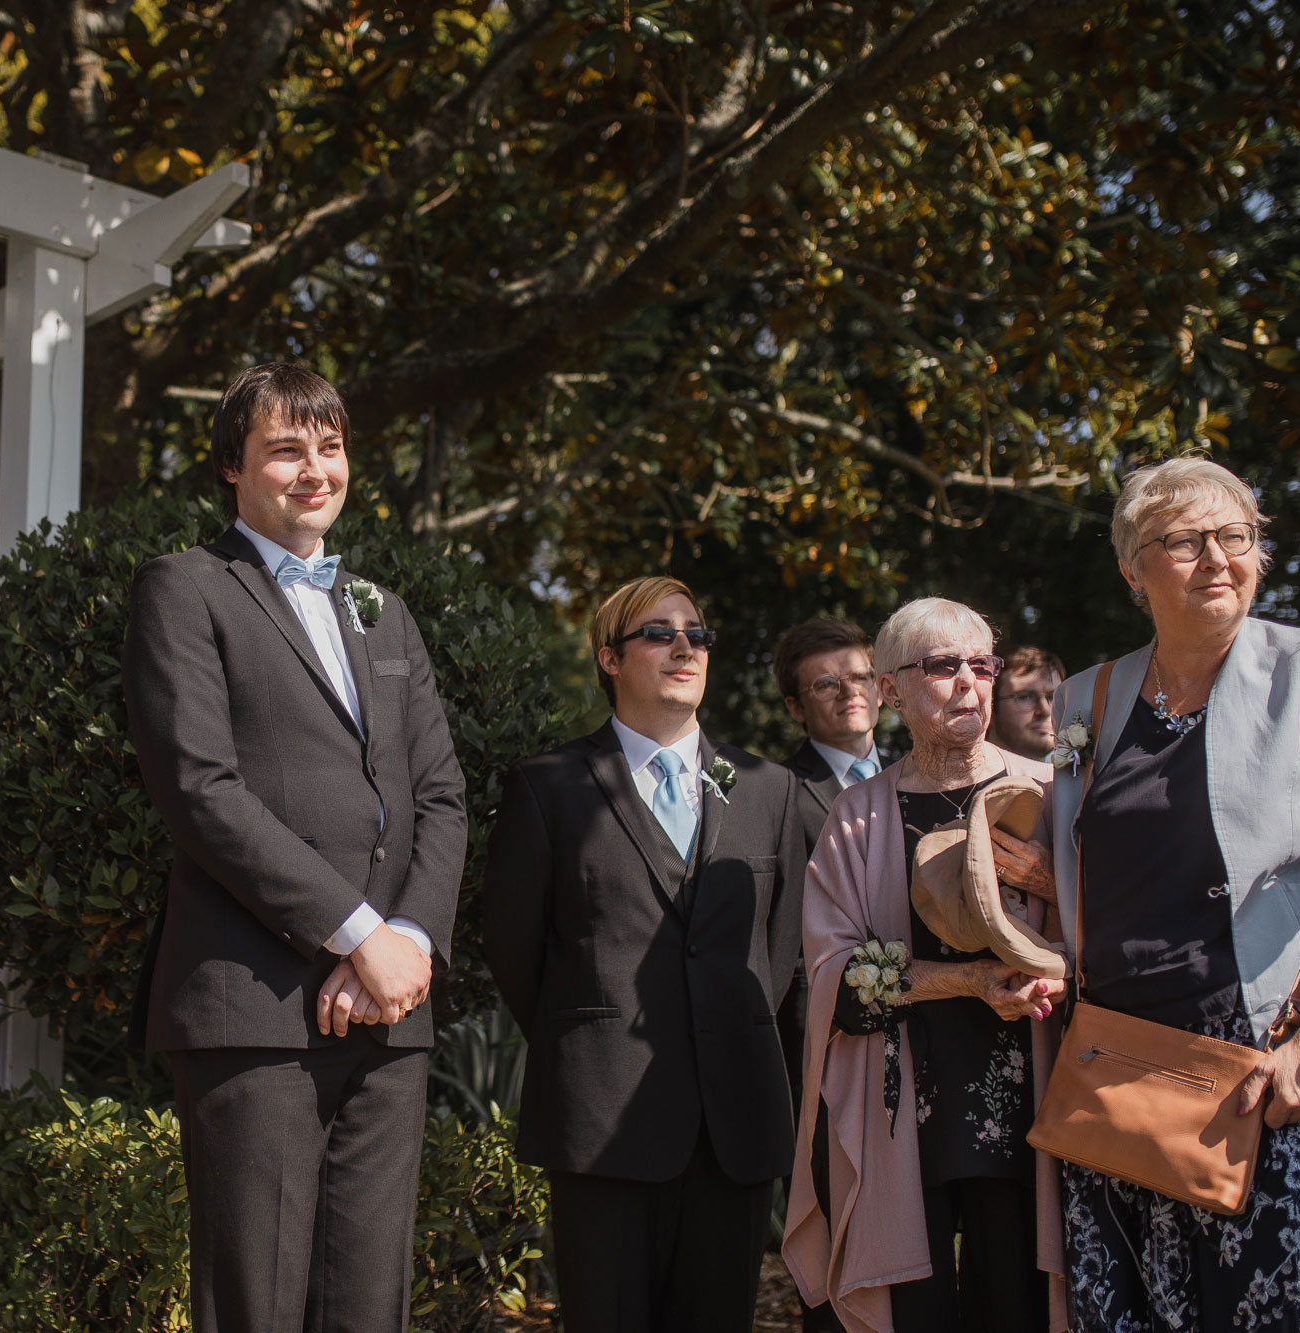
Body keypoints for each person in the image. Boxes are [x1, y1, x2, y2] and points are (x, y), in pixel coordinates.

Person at [123, 363, 467, 1332]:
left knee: (368, 1307)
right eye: (285, 448)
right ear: (231, 467)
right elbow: (200, 789)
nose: (314, 468)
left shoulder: (382, 609)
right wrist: (353, 931)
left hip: (389, 1011)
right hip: (252, 1006)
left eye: (329, 446)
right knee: (257, 1307)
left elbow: (439, 793)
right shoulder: (184, 590)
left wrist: (405, 943)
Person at [1046, 457, 1300, 1331]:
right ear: (1132, 568)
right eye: (1185, 541)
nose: (1219, 558)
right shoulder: (1086, 697)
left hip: (1268, 1066)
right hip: (1118, 1076)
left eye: (1237, 537)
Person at [483, 576, 807, 1331]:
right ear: (609, 656)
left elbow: (782, 947)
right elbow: (514, 949)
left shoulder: (768, 789)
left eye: (696, 634)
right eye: (660, 633)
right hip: (601, 1116)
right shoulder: (547, 787)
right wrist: (589, 1038)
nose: (686, 647)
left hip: (735, 1120)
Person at [784, 597, 1066, 1333]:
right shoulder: (857, 817)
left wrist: (1053, 889)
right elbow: (836, 981)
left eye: (983, 664)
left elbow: (1115, 933)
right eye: (943, 666)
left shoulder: (1053, 794)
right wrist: (968, 981)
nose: (969, 682)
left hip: (1035, 1104)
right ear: (891, 689)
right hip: (906, 1113)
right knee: (921, 1313)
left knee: (1020, 1308)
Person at [776, 616, 885, 849]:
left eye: (860, 677)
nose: (848, 691)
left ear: (879, 688)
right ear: (796, 708)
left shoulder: (914, 775)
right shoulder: (779, 792)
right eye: (825, 684)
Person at [986, 645, 1064, 762]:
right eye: (1025, 697)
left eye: (1053, 697)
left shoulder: (1081, 777)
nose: (1045, 711)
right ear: (989, 708)